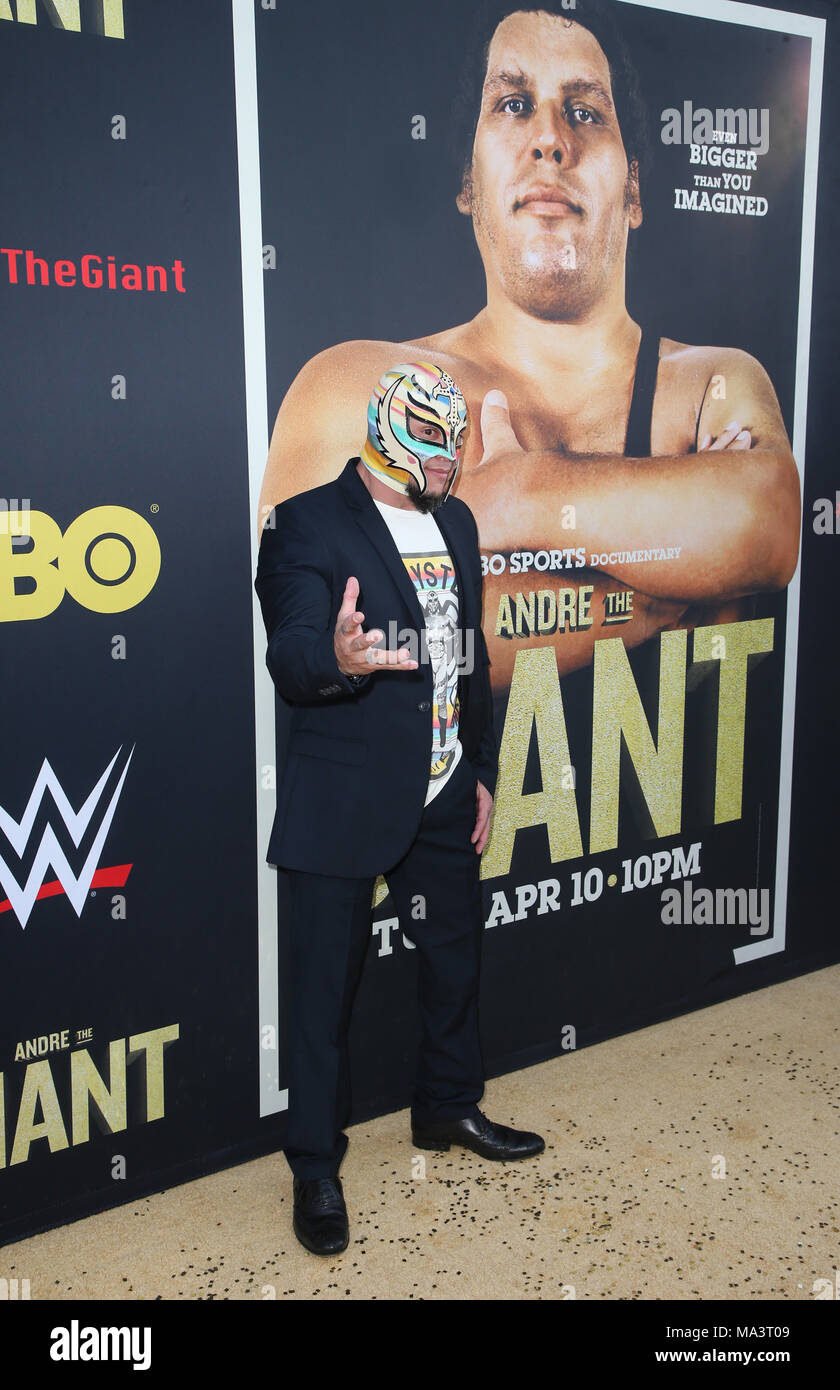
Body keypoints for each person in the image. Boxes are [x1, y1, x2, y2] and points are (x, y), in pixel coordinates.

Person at [257, 0, 800, 695]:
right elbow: (327, 636)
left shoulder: (708, 384)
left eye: (585, 112)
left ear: (633, 189)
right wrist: (661, 594)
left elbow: (768, 523)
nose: (550, 139)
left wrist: (516, 494)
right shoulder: (355, 384)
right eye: (514, 104)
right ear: (467, 183)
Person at [255, 362, 545, 1257]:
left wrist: (484, 768)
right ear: (395, 432)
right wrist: (339, 655)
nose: (458, 459)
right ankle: (313, 1166)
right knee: (318, 997)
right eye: (443, 441)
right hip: (342, 798)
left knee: (455, 963)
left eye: (459, 441)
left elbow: (471, 656)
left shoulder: (454, 521)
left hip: (444, 790)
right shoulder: (304, 522)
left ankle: (447, 1109)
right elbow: (295, 652)